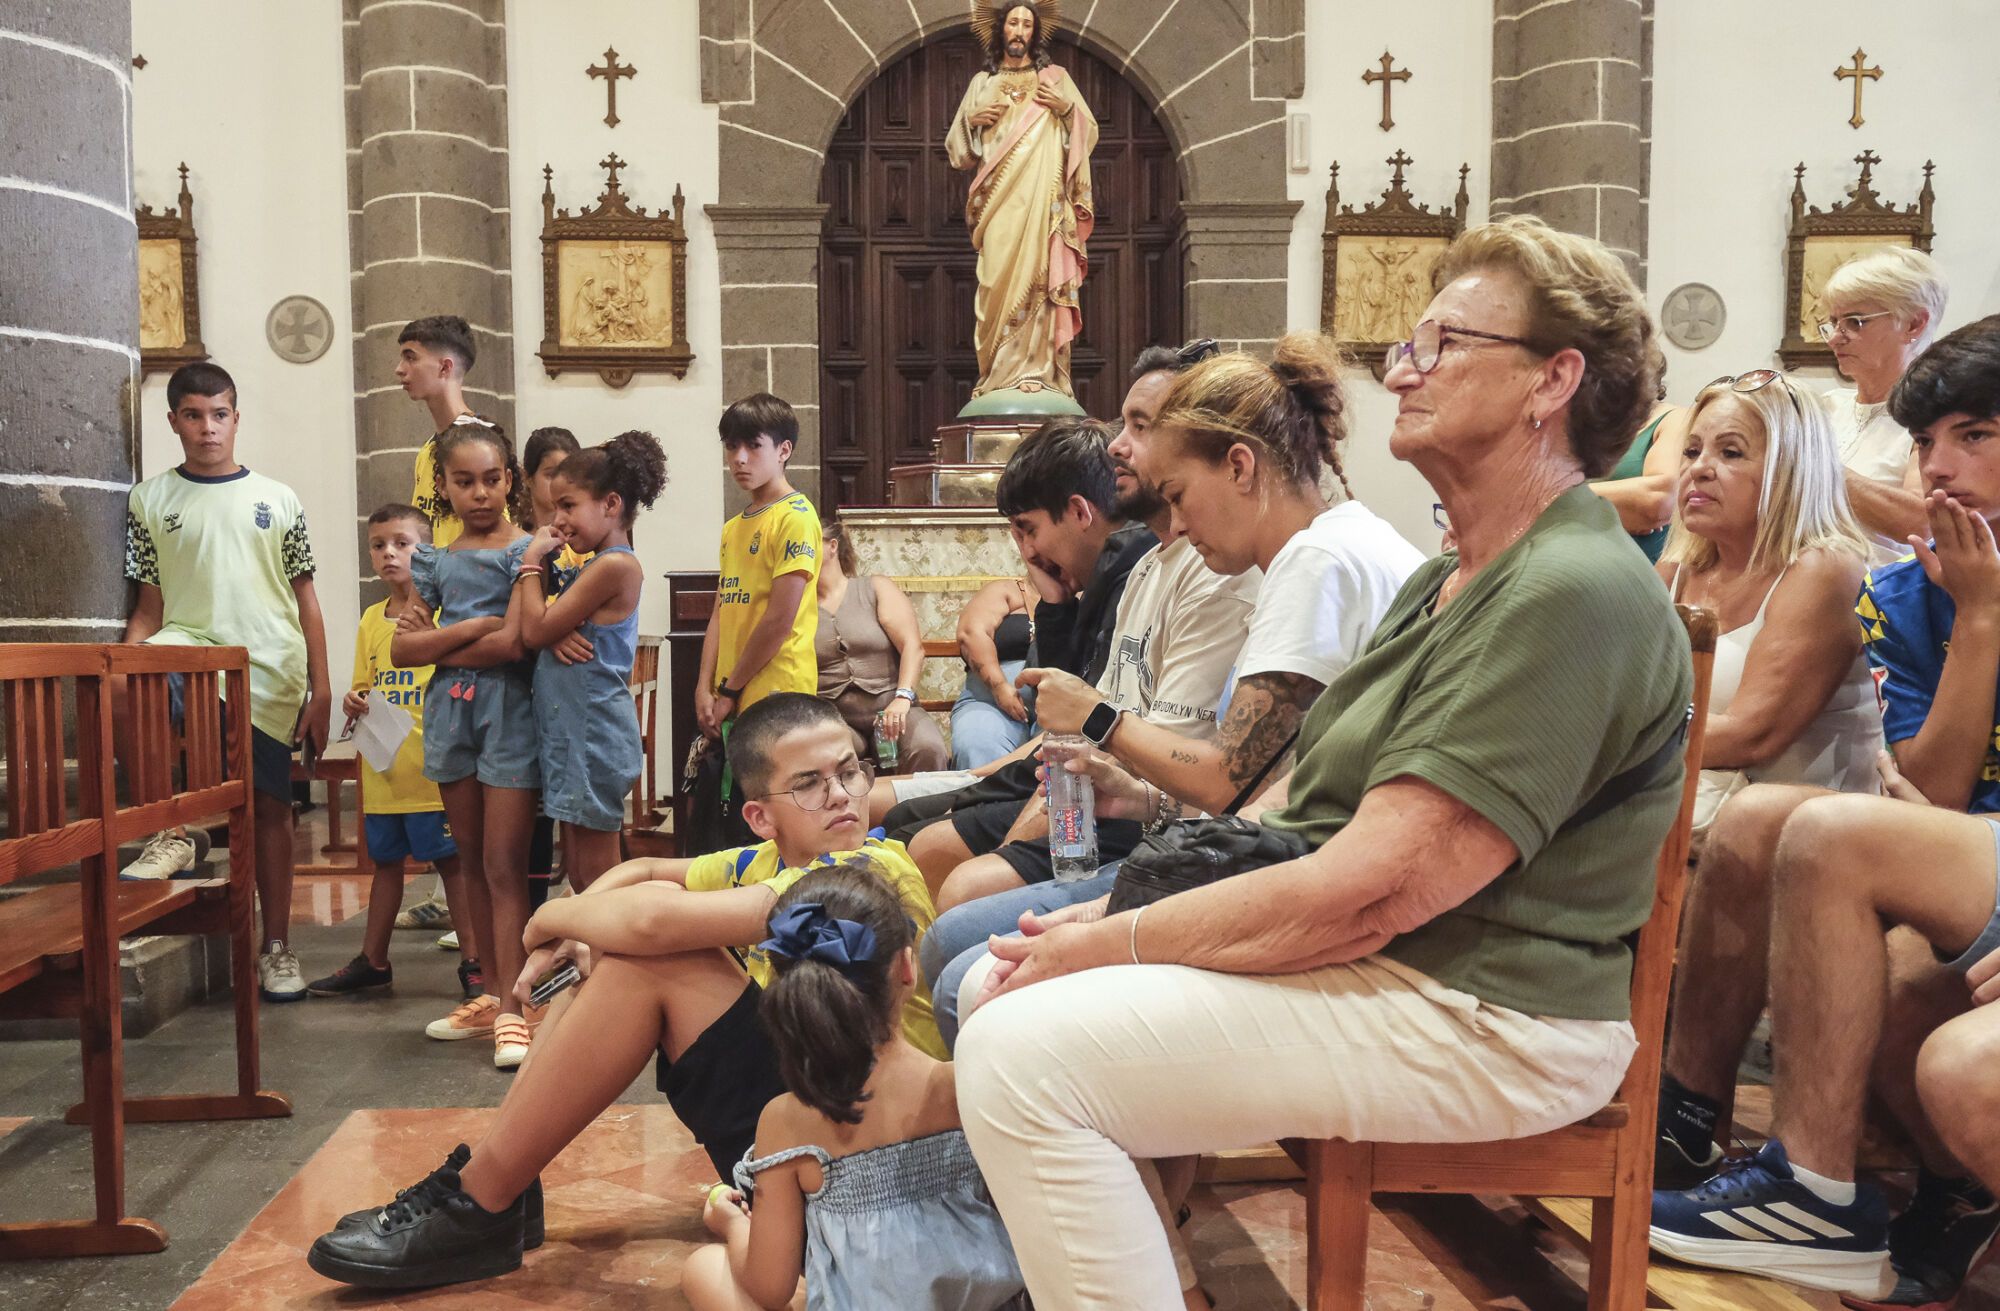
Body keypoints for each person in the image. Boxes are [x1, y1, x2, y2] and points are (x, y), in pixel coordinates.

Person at [945, 216, 1689, 1308]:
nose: (1402, 368)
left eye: (1443, 345)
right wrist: (1114, 927)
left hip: (1487, 1011)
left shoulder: (1568, 588)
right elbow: (1309, 815)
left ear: (1551, 381)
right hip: (1407, 964)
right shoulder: (1447, 580)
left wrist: (1121, 936)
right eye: (1410, 341)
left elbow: (1373, 887)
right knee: (995, 986)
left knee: (1022, 1056)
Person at [304, 694, 945, 1292]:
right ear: (759, 818)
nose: (840, 795)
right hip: (804, 1125)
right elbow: (639, 872)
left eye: (849, 771)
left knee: (648, 958)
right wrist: (579, 942)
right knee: (615, 941)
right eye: (809, 783)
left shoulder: (873, 869)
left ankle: (485, 1202)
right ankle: (498, 1183)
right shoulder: (762, 863)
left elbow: (653, 924)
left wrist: (546, 924)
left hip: (866, 1160)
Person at [927, 334, 1425, 1041]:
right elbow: (1283, 775)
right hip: (1273, 849)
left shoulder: (1314, 561)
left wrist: (1098, 717)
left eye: (1181, 496)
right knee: (963, 944)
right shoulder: (1338, 541)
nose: (1180, 524)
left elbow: (1226, 783)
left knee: (972, 978)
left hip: (1300, 881)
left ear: (1242, 467)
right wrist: (1140, 795)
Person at [1650, 316, 2000, 1304]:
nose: (1935, 467)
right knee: (1780, 833)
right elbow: (1932, 793)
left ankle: (1816, 1189)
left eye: (1971, 434)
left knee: (1819, 825)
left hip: (1958, 861)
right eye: (1925, 443)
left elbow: (1756, 731)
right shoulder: (1907, 591)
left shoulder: (1827, 569)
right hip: (1961, 858)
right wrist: (1975, 620)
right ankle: (1703, 1122)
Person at [898, 372, 1262, 904]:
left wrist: (1017, 832)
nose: (1117, 444)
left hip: (1149, 815)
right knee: (924, 836)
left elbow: (1164, 756)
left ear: (1229, 464)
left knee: (954, 878)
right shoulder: (1143, 566)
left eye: (1140, 426)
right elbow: (1077, 723)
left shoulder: (1216, 572)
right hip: (1109, 791)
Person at [681, 866, 1028, 1311]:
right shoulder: (962, 1085)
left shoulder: (787, 1120)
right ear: (906, 966)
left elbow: (769, 1287)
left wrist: (732, 1224)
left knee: (705, 1267)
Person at [119, 362, 333, 1002]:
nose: (207, 428)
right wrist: (125, 663)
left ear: (236, 419)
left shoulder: (279, 498)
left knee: (269, 807)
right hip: (188, 643)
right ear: (174, 422)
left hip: (268, 662)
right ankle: (171, 831)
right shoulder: (149, 500)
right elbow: (149, 609)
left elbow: (307, 599)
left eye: (219, 415)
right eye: (193, 415)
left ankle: (277, 947)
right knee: (126, 688)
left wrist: (321, 689)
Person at [1657, 370, 1882, 834]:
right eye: (1692, 450)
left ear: (1790, 469)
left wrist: (1590, 745)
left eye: (1730, 452)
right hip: (1688, 811)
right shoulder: (1678, 568)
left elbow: (1750, 736)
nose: (1699, 468)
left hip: (1800, 842)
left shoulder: (1827, 568)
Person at [391, 422, 541, 1069]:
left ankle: (516, 1006)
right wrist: (481, 625)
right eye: (464, 481)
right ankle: (487, 989)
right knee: (473, 860)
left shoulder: (526, 552)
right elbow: (402, 647)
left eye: (490, 478)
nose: (479, 493)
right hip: (450, 715)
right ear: (445, 487)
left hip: (509, 710)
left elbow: (515, 643)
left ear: (509, 479)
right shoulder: (433, 558)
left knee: (507, 866)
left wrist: (454, 631)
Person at [307, 505, 478, 1002]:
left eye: (401, 543)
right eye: (379, 545)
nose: (389, 554)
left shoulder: (443, 615)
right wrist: (353, 698)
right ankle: (373, 961)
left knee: (453, 866)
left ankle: (475, 962)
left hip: (434, 769)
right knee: (384, 865)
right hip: (384, 771)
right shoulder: (369, 620)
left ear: (425, 551)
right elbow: (367, 685)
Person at [513, 432, 667, 892]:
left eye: (568, 505)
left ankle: (612, 961)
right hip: (574, 733)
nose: (558, 519)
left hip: (593, 733)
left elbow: (535, 628)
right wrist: (552, 631)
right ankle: (593, 960)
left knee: (599, 878)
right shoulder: (591, 563)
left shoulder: (614, 565)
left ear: (611, 503)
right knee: (581, 872)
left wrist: (529, 563)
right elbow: (547, 628)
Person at [946, 1, 1097, 398]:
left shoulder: (1055, 78)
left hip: (1042, 203)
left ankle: (1040, 372)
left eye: (1026, 24)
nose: (1019, 30)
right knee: (994, 281)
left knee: (1042, 277)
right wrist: (973, 123)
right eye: (1013, 22)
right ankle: (994, 376)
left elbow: (1087, 130)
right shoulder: (983, 83)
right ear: (1000, 29)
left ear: (1035, 32)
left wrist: (1066, 110)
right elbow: (958, 151)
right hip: (996, 203)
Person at [698, 394, 823, 840]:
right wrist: (705, 685)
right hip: (733, 691)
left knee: (779, 819)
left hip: (778, 692)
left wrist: (729, 689)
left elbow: (779, 619)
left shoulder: (796, 516)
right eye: (731, 447)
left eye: (752, 446)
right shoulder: (735, 526)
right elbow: (721, 609)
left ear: (784, 450)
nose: (739, 458)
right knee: (741, 822)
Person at [1819, 246, 1949, 566]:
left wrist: (1813, 466)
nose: (1835, 338)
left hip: (1875, 604)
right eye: (1833, 322)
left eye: (1855, 322)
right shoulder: (1826, 408)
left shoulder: (1936, 419)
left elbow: (1920, 522)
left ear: (1914, 325)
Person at [814, 519, 948, 773]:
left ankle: (929, 814)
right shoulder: (795, 605)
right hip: (834, 716)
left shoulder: (874, 587)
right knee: (825, 756)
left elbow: (912, 646)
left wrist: (903, 697)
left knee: (928, 748)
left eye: (808, 544)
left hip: (892, 706)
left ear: (832, 547)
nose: (800, 552)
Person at [396, 314, 495, 548]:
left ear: (445, 367)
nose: (399, 369)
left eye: (411, 358)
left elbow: (494, 537)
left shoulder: (482, 444)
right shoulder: (428, 450)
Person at [1589, 351, 1688, 562]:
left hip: (1644, 566)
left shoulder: (1673, 419)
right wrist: (1622, 506)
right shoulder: (1586, 427)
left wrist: (1563, 498)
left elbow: (1657, 501)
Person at [951, 576, 1038, 770]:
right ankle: (988, 801)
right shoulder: (1005, 590)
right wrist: (999, 686)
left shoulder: (1089, 593)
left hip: (1063, 707)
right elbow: (971, 633)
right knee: (977, 741)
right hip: (990, 702)